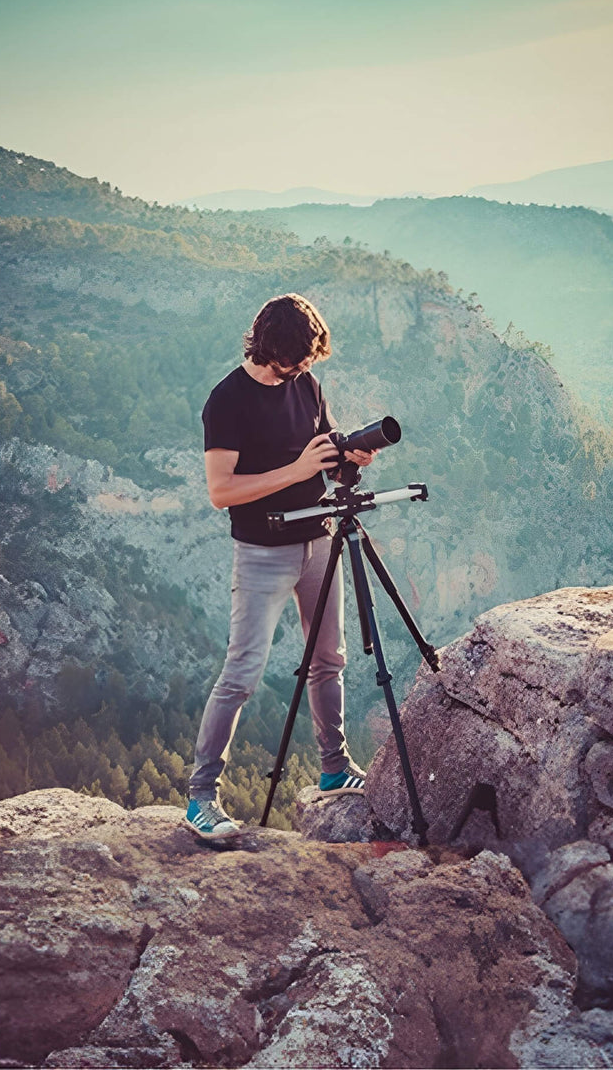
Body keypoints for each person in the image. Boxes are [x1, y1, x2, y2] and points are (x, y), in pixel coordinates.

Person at [185, 294, 372, 840]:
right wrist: (295, 471)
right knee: (242, 674)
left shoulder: (306, 383)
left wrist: (351, 455)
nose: (305, 371)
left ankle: (334, 768)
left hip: (319, 538)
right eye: (296, 362)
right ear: (269, 351)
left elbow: (324, 447)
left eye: (310, 361)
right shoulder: (227, 401)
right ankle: (201, 798)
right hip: (262, 553)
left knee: (328, 658)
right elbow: (221, 491)